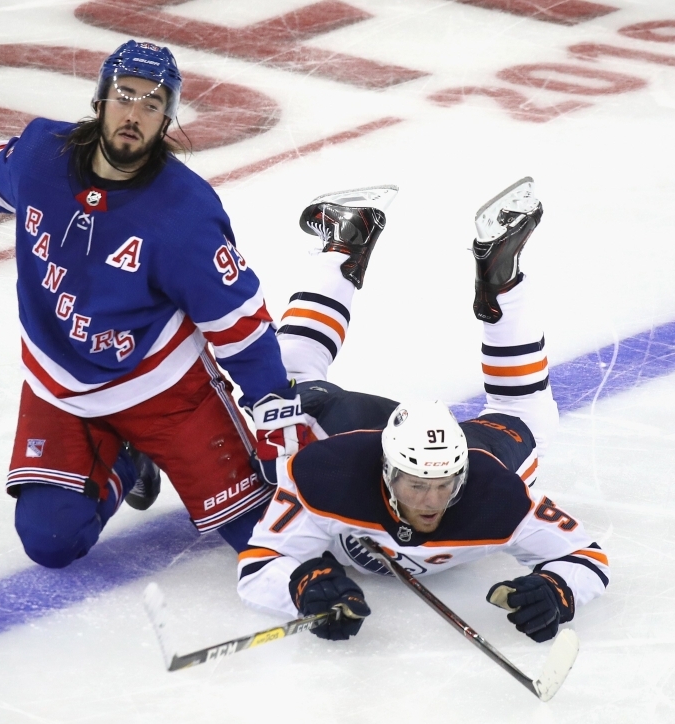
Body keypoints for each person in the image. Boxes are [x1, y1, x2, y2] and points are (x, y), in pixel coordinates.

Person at [0, 39, 312, 565]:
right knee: (51, 542)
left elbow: (238, 323)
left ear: (167, 119)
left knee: (267, 537)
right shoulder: (42, 154)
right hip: (62, 385)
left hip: (166, 387)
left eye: (152, 104)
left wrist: (271, 404)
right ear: (101, 100)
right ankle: (127, 457)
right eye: (125, 96)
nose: (135, 114)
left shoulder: (185, 212)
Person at [238, 178, 610, 643]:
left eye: (444, 484)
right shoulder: (327, 474)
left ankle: (481, 276)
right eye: (417, 484)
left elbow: (587, 560)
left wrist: (558, 589)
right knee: (283, 383)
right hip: (351, 423)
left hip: (476, 448)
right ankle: (353, 240)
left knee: (529, 422)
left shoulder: (494, 492)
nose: (432, 502)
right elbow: (259, 569)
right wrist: (299, 586)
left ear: (462, 473)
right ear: (388, 472)